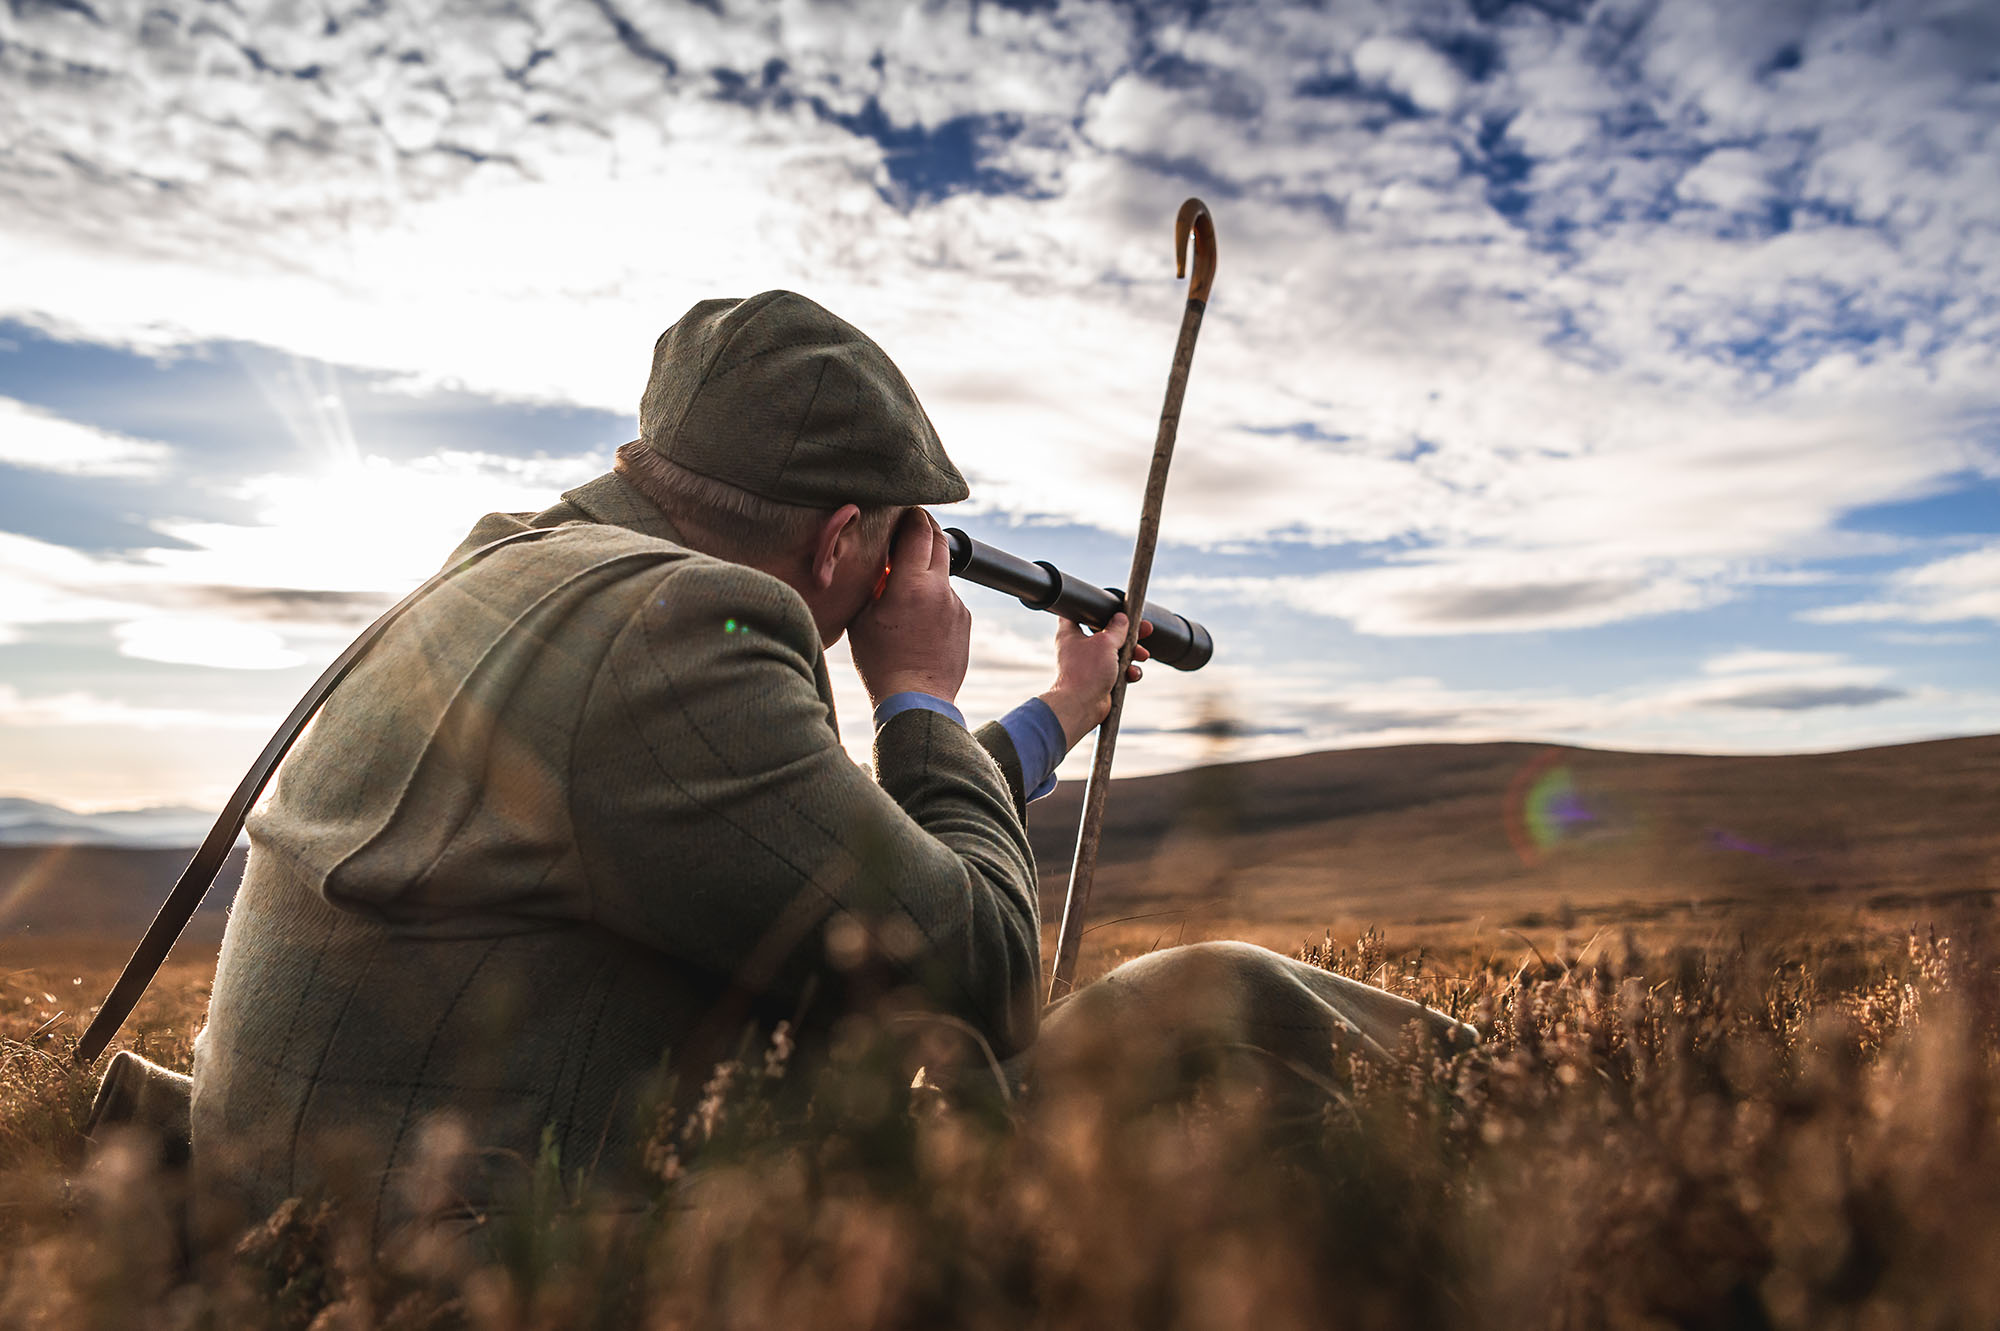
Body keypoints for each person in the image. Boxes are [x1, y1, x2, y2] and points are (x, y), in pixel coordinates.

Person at [188, 290, 1467, 1247]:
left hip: (341, 1214)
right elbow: (983, 983)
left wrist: (1062, 709)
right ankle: (1536, 1143)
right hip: (534, 1260)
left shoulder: (508, 573)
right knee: (1221, 995)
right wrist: (915, 691)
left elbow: (802, 829)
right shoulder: (673, 635)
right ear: (845, 532)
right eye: (892, 542)